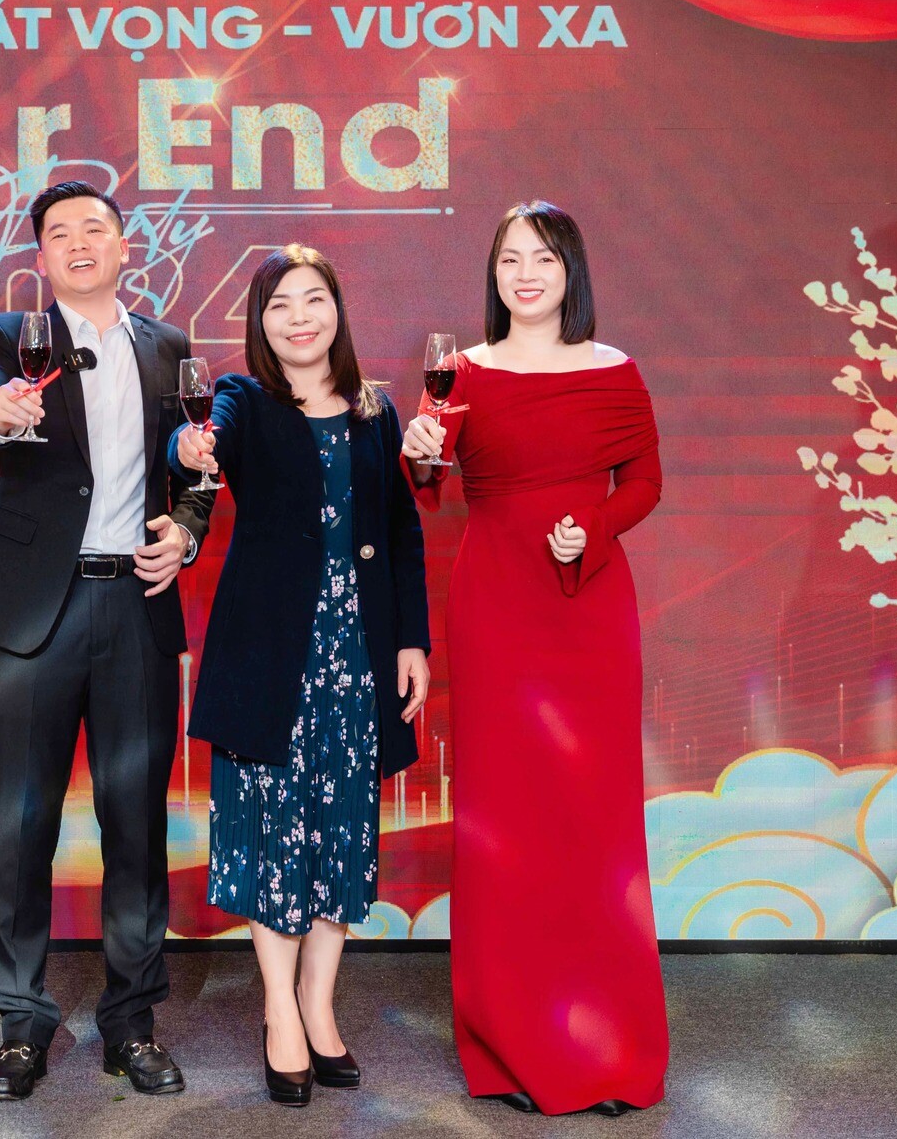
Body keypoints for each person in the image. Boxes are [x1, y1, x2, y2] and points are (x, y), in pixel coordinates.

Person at [400, 200, 667, 1117]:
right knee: (505, 823)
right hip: (497, 608)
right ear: (494, 274)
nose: (525, 274)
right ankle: (509, 1046)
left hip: (589, 608)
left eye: (543, 259)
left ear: (570, 272)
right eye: (510, 258)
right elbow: (425, 485)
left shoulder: (615, 370)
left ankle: (611, 1047)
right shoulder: (463, 372)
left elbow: (645, 482)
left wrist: (592, 525)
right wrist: (420, 449)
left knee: (593, 824)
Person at [0, 180, 214, 1102]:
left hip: (134, 602)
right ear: (40, 257)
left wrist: (187, 531)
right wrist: (1, 415)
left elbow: (197, 463)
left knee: (135, 822)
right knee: (23, 821)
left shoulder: (168, 346)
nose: (77, 243)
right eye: (57, 233)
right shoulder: (9, 336)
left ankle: (131, 1022)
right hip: (38, 606)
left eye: (93, 229)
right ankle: (21, 1024)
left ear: (123, 246)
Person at [173, 245, 431, 1108]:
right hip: (270, 660)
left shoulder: (374, 410)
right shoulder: (245, 400)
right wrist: (189, 446)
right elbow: (201, 446)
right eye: (279, 305)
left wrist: (411, 641)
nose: (298, 318)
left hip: (357, 658)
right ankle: (279, 1010)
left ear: (337, 312)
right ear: (261, 322)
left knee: (341, 835)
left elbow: (401, 528)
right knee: (272, 835)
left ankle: (320, 1005)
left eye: (313, 300)